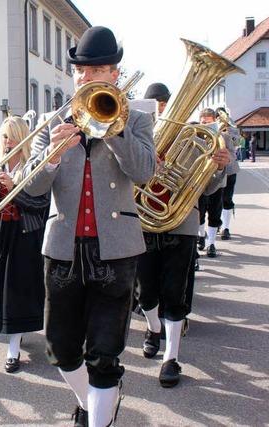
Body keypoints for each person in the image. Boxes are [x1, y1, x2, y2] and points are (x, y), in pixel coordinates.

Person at [21, 26, 156, 427]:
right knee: (60, 349)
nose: (86, 77)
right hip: (63, 245)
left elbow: (145, 171)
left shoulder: (136, 118)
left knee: (104, 352)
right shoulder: (52, 120)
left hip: (115, 246)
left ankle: (99, 412)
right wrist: (51, 156)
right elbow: (32, 186)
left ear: (114, 74)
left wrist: (113, 131)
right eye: (80, 70)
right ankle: (95, 401)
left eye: (96, 69)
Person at [135, 127, 229, 388]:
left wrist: (218, 168)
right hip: (143, 221)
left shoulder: (196, 141)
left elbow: (207, 188)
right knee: (145, 293)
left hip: (182, 223)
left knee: (175, 292)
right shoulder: (140, 135)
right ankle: (154, 328)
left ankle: (171, 358)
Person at [0, 116, 48, 373]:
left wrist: (15, 189)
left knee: (15, 291)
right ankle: (15, 332)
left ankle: (13, 348)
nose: (6, 142)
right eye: (3, 136)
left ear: (22, 137)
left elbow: (41, 205)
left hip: (22, 233)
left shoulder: (33, 167)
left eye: (11, 136)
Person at [197, 108, 236, 257]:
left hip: (218, 179)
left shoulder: (224, 137)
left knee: (215, 211)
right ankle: (201, 236)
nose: (205, 124)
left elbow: (232, 155)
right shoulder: (194, 134)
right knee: (199, 212)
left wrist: (225, 159)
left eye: (209, 122)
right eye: (203, 122)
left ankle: (211, 243)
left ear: (214, 121)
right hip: (199, 179)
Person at [216, 108, 240, 241]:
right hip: (216, 168)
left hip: (230, 169)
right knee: (216, 200)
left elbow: (236, 142)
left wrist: (229, 127)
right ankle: (216, 223)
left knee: (227, 199)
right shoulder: (213, 129)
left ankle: (226, 227)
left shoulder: (232, 129)